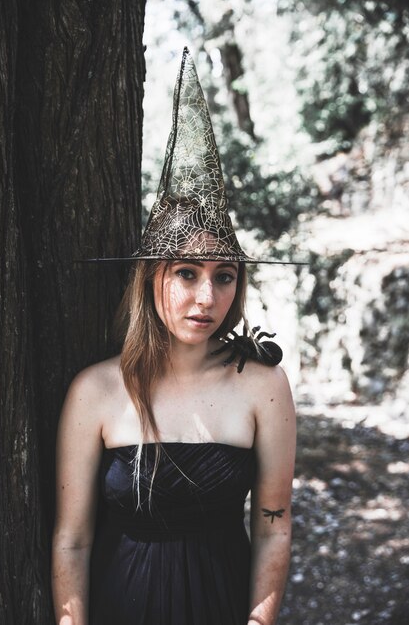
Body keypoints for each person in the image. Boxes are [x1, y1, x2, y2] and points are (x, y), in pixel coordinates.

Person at [52, 47, 297, 625]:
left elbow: (275, 525)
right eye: (186, 273)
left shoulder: (263, 386)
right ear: (150, 277)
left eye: (224, 276)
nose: (206, 298)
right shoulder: (96, 391)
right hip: (121, 604)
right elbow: (72, 540)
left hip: (222, 602)